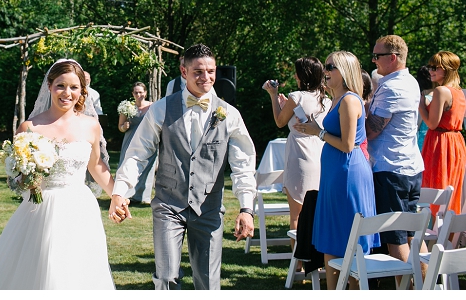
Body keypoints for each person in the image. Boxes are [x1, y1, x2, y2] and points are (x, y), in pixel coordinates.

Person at [111, 44, 257, 290]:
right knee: (166, 278)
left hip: (209, 209)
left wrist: (246, 208)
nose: (206, 77)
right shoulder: (161, 109)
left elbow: (243, 163)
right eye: (198, 71)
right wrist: (121, 192)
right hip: (169, 204)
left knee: (208, 283)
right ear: (183, 71)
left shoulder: (229, 114)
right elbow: (138, 154)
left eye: (211, 71)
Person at [0, 59, 124, 289]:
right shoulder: (30, 127)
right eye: (61, 86)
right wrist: (27, 176)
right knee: (44, 268)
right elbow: (16, 179)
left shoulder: (91, 125)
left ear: (82, 91)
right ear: (49, 86)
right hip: (41, 209)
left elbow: (96, 166)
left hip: (80, 209)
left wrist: (117, 196)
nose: (67, 93)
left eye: (74, 87)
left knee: (78, 272)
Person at [297, 51, 379, 290]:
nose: (326, 71)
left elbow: (347, 144)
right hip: (335, 172)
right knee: (332, 236)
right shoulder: (337, 99)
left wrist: (318, 132)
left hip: (348, 172)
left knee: (347, 237)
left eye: (331, 66)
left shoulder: (350, 100)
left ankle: (351, 289)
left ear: (345, 71)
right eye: (326, 66)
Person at [365, 35, 425, 266]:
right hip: (409, 167)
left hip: (390, 169)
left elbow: (372, 130)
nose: (373, 61)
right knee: (412, 235)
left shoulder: (391, 86)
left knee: (395, 239)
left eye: (377, 56)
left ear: (392, 57)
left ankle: (407, 289)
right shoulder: (410, 81)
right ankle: (427, 284)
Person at [262, 57, 329, 251]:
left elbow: (280, 122)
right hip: (318, 152)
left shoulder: (296, 96)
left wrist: (273, 96)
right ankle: (318, 256)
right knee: (317, 211)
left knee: (296, 215)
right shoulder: (326, 98)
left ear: (302, 76)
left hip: (299, 155)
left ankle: (298, 263)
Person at [419, 51, 466, 214]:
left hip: (441, 142)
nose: (430, 70)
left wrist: (420, 105)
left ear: (447, 69)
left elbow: (432, 124)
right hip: (456, 142)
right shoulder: (459, 91)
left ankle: (437, 231)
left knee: (437, 187)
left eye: (435, 67)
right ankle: (451, 232)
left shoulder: (441, 91)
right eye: (430, 67)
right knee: (452, 189)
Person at [118, 81, 157, 204]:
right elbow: (120, 127)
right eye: (136, 92)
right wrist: (124, 126)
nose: (138, 94)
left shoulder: (153, 106)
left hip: (147, 140)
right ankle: (124, 194)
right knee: (127, 165)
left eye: (141, 92)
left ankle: (142, 196)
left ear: (145, 93)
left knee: (146, 167)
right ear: (132, 93)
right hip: (130, 140)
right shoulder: (127, 107)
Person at [415, 65, 434, 153]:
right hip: (435, 138)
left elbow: (417, 123)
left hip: (422, 140)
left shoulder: (421, 99)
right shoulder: (439, 98)